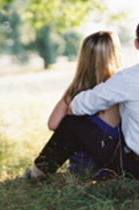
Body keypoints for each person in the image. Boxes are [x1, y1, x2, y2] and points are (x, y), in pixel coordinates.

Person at [26, 16, 139, 180]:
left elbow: (78, 106)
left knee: (72, 124)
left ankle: (37, 173)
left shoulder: (128, 78)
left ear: (136, 44)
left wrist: (76, 92)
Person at [47, 30, 122, 176]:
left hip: (79, 169)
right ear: (115, 55)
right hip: (111, 167)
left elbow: (53, 124)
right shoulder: (118, 90)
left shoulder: (75, 91)